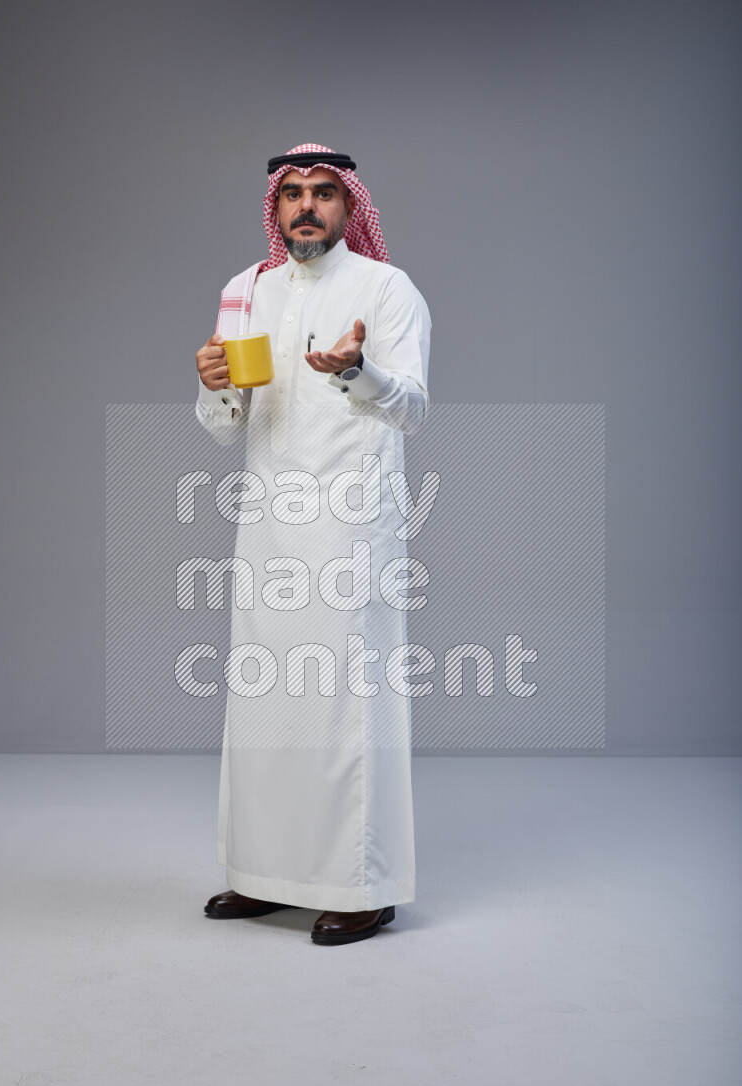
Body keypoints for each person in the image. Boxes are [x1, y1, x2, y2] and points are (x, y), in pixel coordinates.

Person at [194, 143, 431, 945]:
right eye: (292, 193)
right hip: (264, 528)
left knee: (343, 708)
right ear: (275, 205)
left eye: (324, 193)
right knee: (263, 702)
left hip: (350, 530)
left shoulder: (386, 289)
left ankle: (361, 886)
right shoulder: (244, 290)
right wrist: (213, 383)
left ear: (348, 204)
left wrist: (357, 369)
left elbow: (412, 408)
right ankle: (264, 875)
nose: (306, 207)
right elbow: (226, 430)